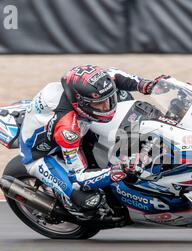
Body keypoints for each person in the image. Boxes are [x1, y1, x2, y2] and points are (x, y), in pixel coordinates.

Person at [19, 64, 168, 219]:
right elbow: (78, 177)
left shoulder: (95, 86)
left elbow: (114, 75)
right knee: (87, 200)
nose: (108, 106)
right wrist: (118, 171)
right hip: (41, 155)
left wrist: (146, 85)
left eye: (109, 100)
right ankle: (69, 208)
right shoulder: (68, 130)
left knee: (124, 97)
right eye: (100, 104)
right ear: (80, 103)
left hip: (78, 124)